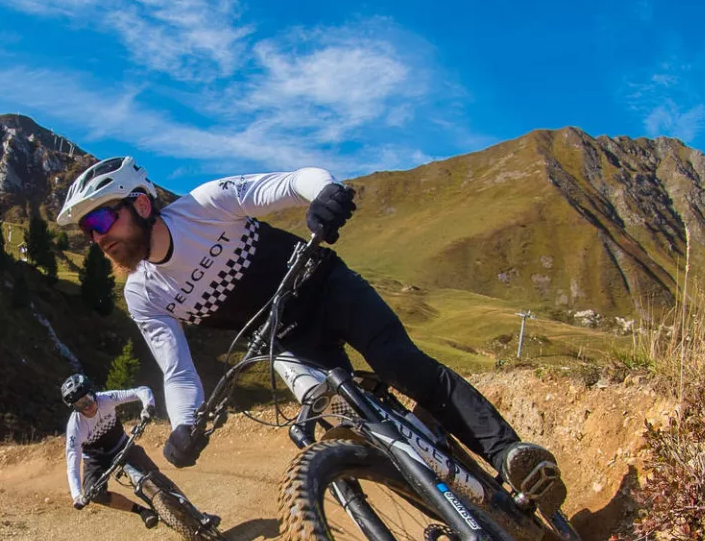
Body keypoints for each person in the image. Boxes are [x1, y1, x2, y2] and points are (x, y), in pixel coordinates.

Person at [54, 156, 567, 516]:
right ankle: (457, 514)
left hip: (324, 286)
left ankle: (510, 458)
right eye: (87, 231)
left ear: (141, 205)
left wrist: (325, 194)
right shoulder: (142, 294)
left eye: (101, 218)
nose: (97, 237)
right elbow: (177, 369)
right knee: (346, 428)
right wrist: (185, 425)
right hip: (289, 343)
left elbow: (295, 181)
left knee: (399, 364)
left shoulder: (205, 206)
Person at [61, 373, 219, 532]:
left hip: (122, 445)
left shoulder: (105, 399)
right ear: (74, 408)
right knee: (94, 494)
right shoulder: (75, 427)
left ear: (93, 392)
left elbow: (140, 391)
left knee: (155, 477)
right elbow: (72, 464)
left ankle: (197, 514)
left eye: (88, 398)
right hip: (96, 459)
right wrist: (77, 495)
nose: (87, 406)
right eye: (80, 404)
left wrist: (148, 407)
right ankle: (142, 511)